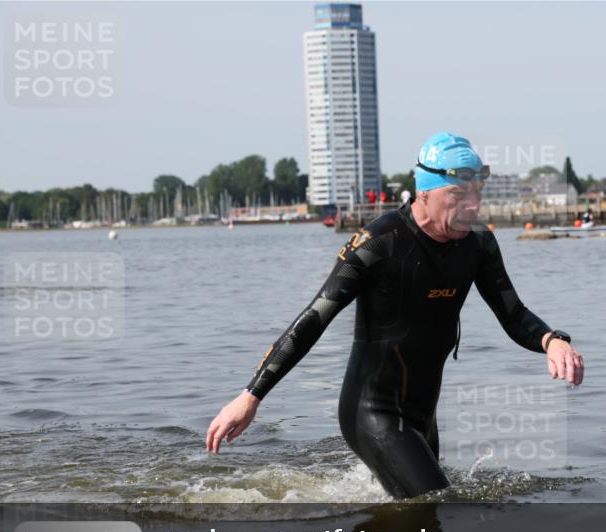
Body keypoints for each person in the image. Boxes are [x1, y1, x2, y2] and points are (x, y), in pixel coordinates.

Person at [204, 132, 584, 499]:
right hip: (372, 411)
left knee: (421, 531)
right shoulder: (378, 243)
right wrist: (251, 396)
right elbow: (312, 320)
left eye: (476, 193)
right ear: (424, 191)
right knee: (435, 505)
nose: (472, 205)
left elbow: (513, 313)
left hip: (423, 415)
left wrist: (552, 341)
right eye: (458, 193)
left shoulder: (478, 244)